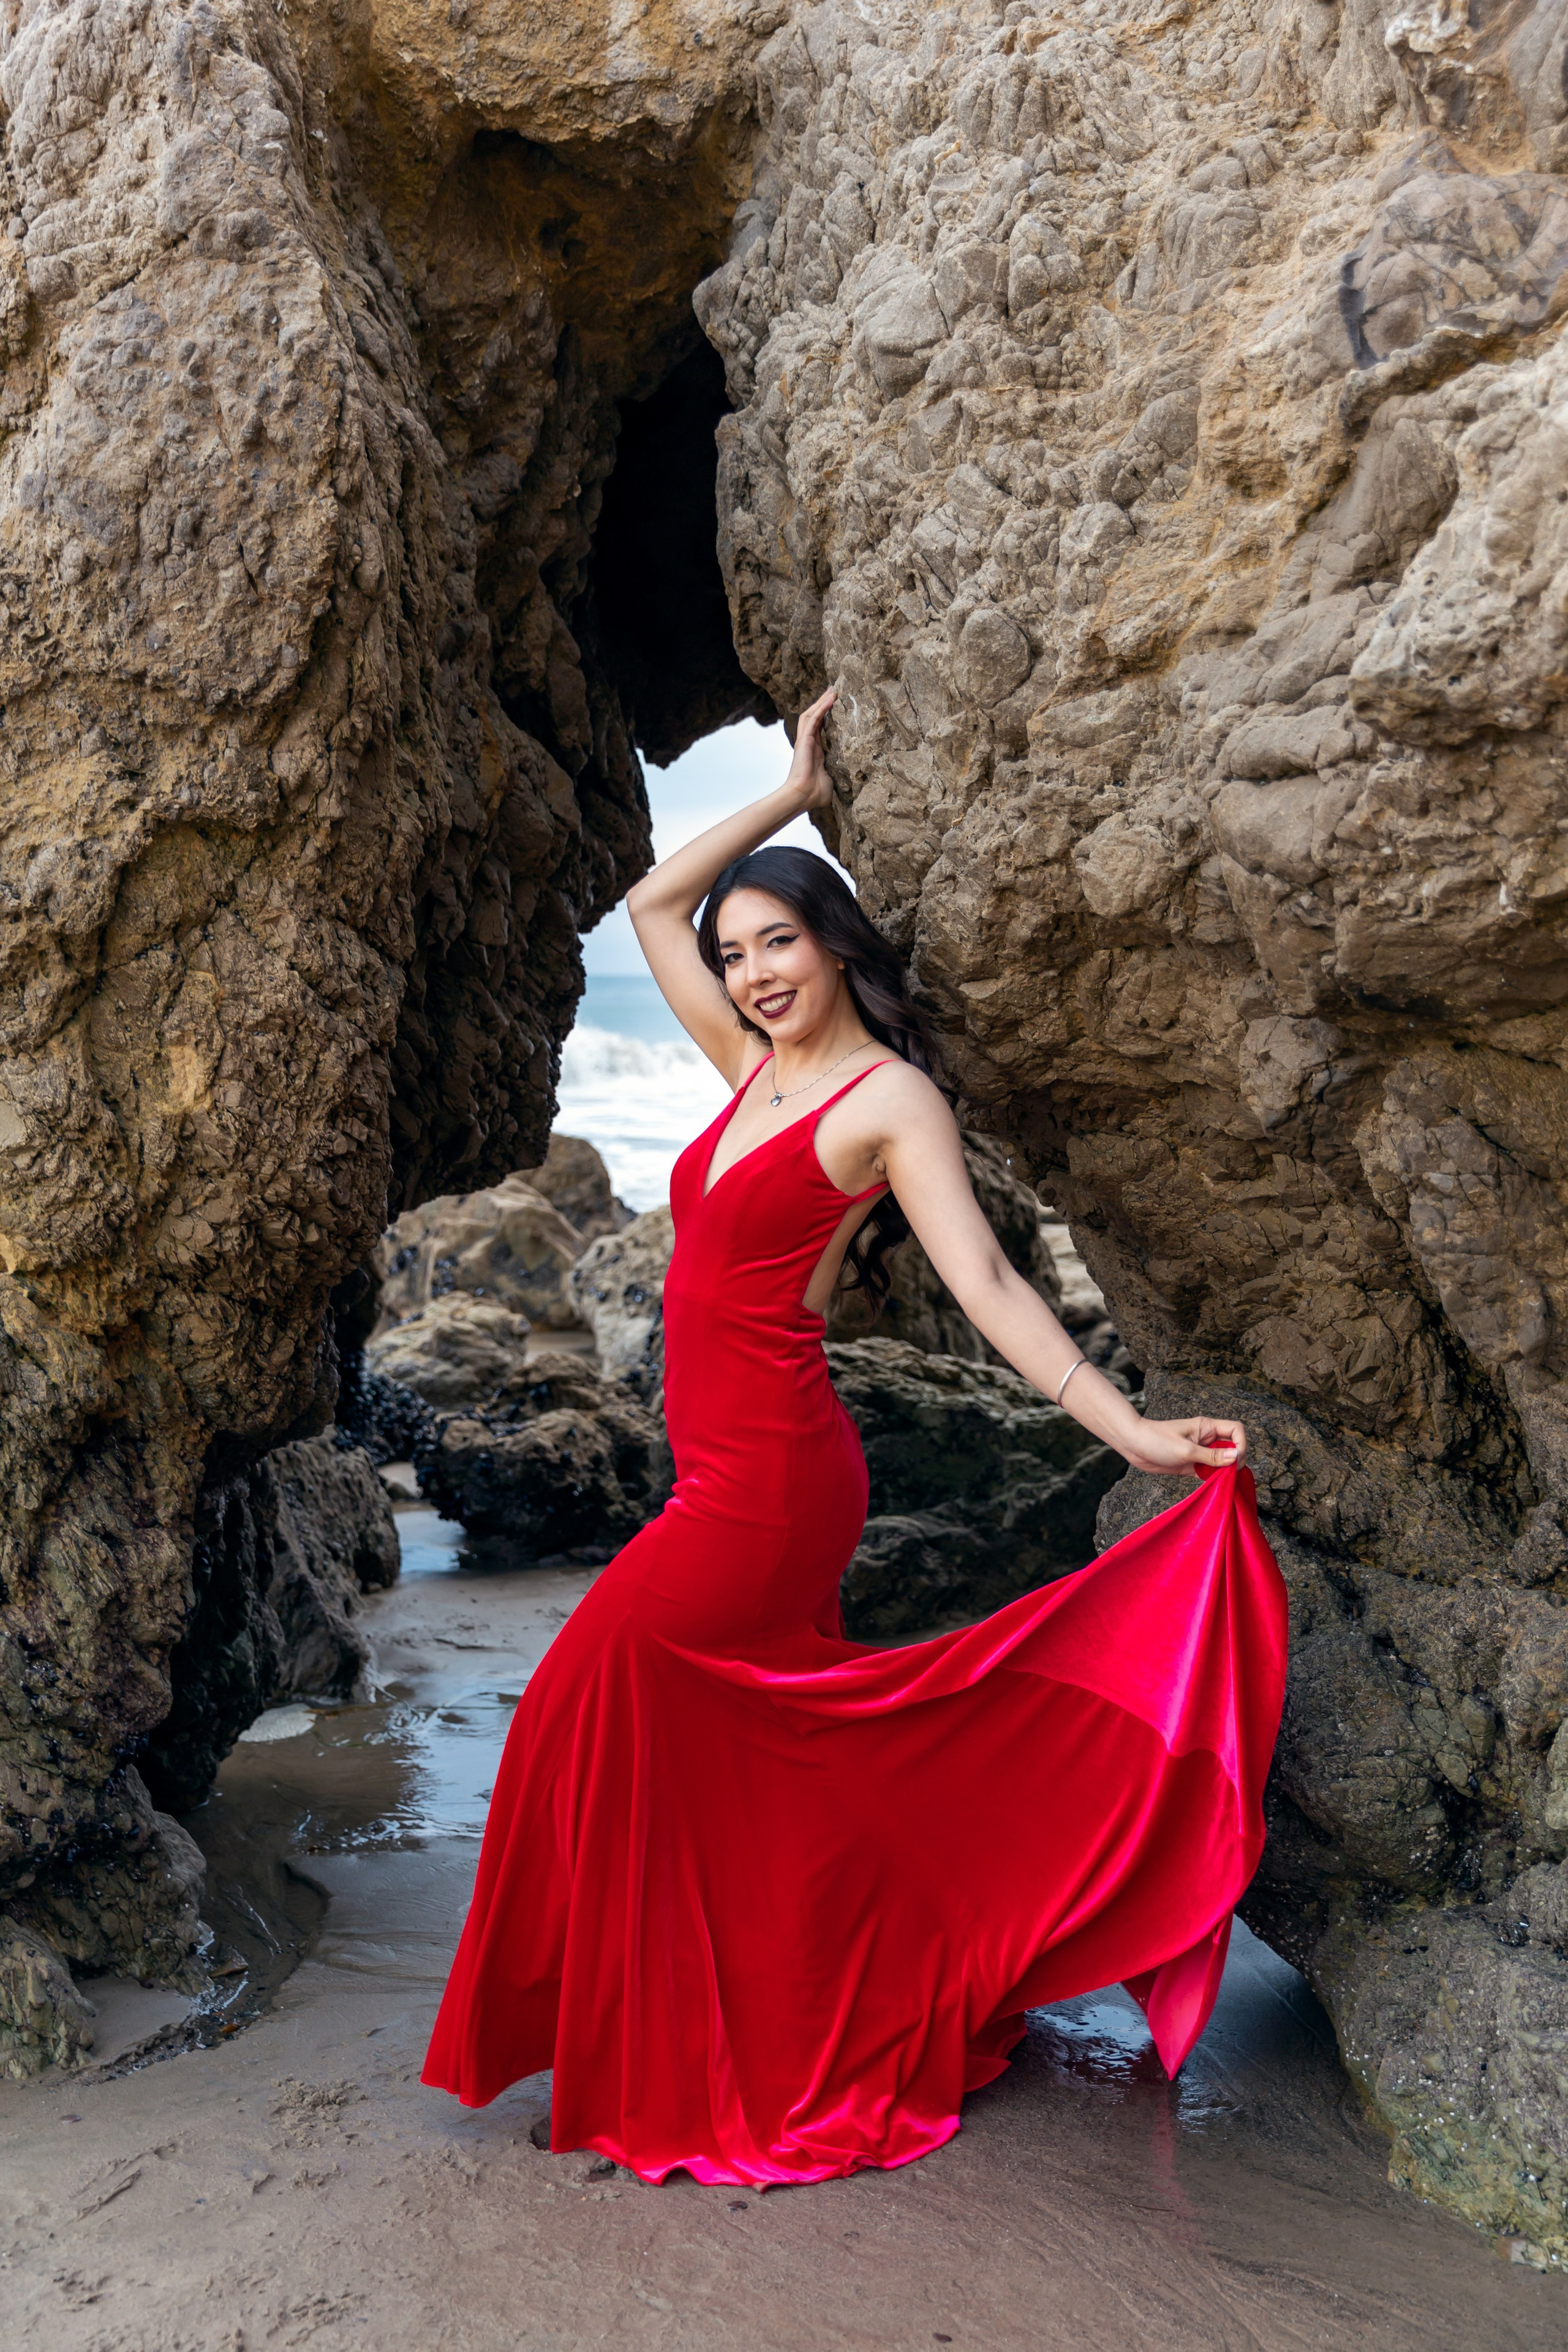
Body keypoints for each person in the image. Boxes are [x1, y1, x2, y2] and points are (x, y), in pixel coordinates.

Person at [422, 688, 1287, 2187]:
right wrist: (788, 788)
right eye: (739, 952)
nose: (754, 970)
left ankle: (737, 2031)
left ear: (832, 946)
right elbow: (648, 900)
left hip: (771, 1483)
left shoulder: (889, 1104)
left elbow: (996, 1286)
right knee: (751, 1759)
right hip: (718, 1470)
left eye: (780, 941)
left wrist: (1127, 1431)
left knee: (586, 1691)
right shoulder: (750, 1073)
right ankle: (773, 2012)